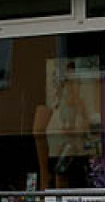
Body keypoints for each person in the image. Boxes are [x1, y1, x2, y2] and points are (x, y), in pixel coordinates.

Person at [33, 62, 99, 190]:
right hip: (57, 163)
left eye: (77, 82)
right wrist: (45, 178)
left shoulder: (81, 107)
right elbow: (38, 136)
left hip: (77, 163)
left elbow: (87, 134)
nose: (75, 86)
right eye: (71, 82)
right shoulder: (50, 109)